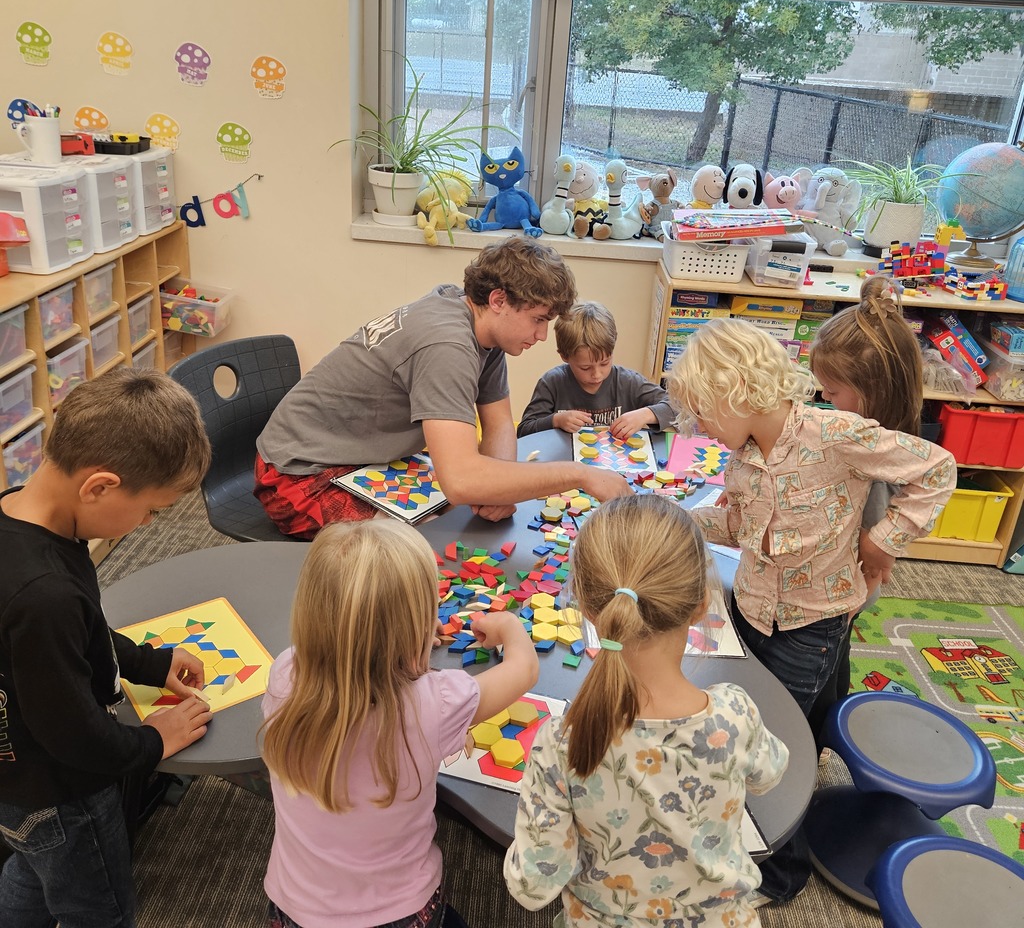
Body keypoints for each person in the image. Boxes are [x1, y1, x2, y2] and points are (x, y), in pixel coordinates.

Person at [666, 317, 955, 903]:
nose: (697, 426)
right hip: (750, 610)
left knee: (776, 752)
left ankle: (780, 873)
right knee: (754, 728)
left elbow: (936, 470)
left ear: (734, 392)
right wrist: (673, 513)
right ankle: (744, 834)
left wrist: (885, 538)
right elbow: (742, 526)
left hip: (810, 624)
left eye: (703, 411)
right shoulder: (742, 460)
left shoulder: (831, 433)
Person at [504, 493, 789, 927]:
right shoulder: (735, 713)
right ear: (700, 607)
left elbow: (532, 888)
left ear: (585, 607)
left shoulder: (562, 742)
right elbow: (769, 775)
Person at [0, 368, 214, 928]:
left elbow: (81, 635)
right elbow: (74, 735)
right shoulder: (44, 595)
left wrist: (152, 661)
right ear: (98, 487)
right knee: (97, 907)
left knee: (31, 869)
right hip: (63, 794)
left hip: (16, 781)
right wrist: (150, 744)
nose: (147, 524)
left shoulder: (16, 516)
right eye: (152, 510)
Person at [255, 235, 633, 538]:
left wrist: (496, 493)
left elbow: (500, 423)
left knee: (463, 503)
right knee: (414, 546)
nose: (540, 335)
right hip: (298, 477)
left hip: (359, 458)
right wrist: (581, 474)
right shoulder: (448, 345)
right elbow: (463, 480)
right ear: (499, 300)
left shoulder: (480, 322)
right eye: (537, 319)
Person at [261, 518, 539, 928]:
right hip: (400, 915)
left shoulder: (286, 674)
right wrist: (510, 626)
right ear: (414, 632)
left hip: (293, 911)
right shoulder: (437, 703)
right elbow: (524, 668)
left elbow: (351, 645)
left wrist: (402, 639)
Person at [806, 274, 925, 740]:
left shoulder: (881, 456)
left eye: (833, 393)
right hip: (839, 586)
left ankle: (820, 740)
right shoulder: (867, 430)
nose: (824, 400)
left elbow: (878, 551)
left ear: (873, 389)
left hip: (844, 592)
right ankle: (829, 718)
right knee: (833, 665)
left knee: (824, 670)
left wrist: (876, 553)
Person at [516, 300, 676, 438]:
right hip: (566, 467)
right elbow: (524, 431)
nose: (597, 374)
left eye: (605, 363)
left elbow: (678, 407)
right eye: (585, 368)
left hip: (615, 465)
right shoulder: (552, 382)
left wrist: (645, 415)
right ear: (565, 356)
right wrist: (556, 420)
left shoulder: (628, 382)